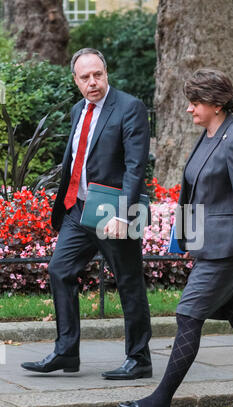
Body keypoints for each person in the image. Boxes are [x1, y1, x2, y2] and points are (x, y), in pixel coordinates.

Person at [119, 68, 233, 407]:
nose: (189, 109)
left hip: (226, 249)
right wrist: (187, 235)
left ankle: (159, 403)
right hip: (210, 245)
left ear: (217, 104)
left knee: (187, 315)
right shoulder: (211, 134)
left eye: (195, 103)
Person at [21, 48, 152, 380]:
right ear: (76, 80)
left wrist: (124, 214)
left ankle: (139, 359)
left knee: (128, 283)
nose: (92, 82)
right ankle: (66, 352)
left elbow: (136, 168)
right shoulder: (78, 109)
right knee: (59, 270)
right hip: (78, 210)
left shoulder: (129, 108)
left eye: (98, 74)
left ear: (106, 72)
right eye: (85, 77)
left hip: (114, 210)